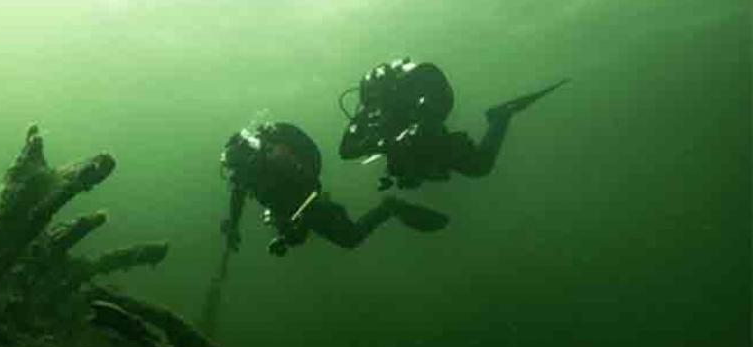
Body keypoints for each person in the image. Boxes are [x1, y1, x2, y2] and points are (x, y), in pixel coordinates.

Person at [220, 121, 447, 257]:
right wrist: (233, 224)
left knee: (350, 238)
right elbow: (238, 194)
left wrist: (297, 217)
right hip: (291, 203)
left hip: (305, 199)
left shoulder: (275, 159)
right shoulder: (245, 173)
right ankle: (306, 222)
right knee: (293, 239)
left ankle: (389, 207)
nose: (238, 180)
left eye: (238, 173)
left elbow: (310, 184)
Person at [339, 58, 568, 191]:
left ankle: (500, 116)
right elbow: (345, 150)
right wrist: (377, 143)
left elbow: (437, 104)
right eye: (369, 99)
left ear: (390, 88)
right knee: (406, 171)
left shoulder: (410, 97)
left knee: (480, 166)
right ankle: (418, 172)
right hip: (413, 158)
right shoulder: (368, 112)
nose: (374, 103)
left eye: (378, 96)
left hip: (435, 143)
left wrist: (417, 128)